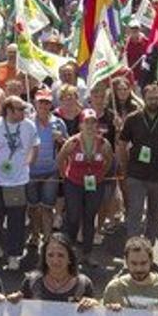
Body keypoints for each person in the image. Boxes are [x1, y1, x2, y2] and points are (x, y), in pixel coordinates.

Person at [0, 96, 39, 271]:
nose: (24, 112)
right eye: (19, 109)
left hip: (18, 182)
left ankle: (14, 255)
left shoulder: (29, 125)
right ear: (8, 111)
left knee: (17, 219)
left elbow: (36, 145)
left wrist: (29, 163)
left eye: (23, 108)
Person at [118, 83, 158, 243]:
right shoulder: (133, 119)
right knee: (135, 212)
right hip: (136, 174)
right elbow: (122, 144)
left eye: (157, 98)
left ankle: (149, 246)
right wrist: (125, 168)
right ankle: (132, 246)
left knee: (154, 214)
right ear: (143, 99)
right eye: (150, 98)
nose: (154, 101)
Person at [57, 109, 112, 263]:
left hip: (95, 184)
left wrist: (100, 174)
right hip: (73, 183)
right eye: (86, 122)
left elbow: (109, 161)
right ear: (80, 124)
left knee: (89, 217)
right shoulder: (72, 142)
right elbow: (60, 159)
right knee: (73, 217)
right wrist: (65, 177)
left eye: (93, 122)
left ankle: (87, 253)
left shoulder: (103, 143)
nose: (90, 125)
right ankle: (70, 251)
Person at [28, 90, 69, 247]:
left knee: (47, 207)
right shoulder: (28, 122)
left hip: (51, 171)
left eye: (47, 102)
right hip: (31, 171)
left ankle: (47, 239)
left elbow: (68, 144)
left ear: (51, 104)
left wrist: (61, 139)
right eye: (41, 102)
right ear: (35, 104)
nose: (44, 105)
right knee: (33, 207)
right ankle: (34, 235)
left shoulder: (58, 123)